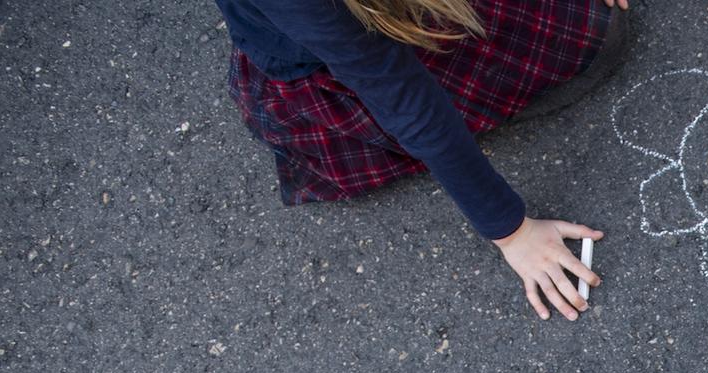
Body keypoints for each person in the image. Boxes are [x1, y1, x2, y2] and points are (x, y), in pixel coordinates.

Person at [216, 0, 633, 320]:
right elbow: (405, 98)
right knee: (584, 39)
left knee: (590, 32)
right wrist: (511, 231)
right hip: (329, 53)